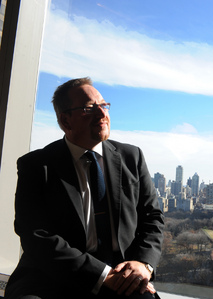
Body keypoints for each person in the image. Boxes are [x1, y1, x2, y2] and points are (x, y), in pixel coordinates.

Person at [5, 77, 164, 299]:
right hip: (51, 276)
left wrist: (143, 264)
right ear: (65, 120)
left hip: (123, 275)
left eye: (104, 105)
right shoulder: (36, 166)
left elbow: (152, 218)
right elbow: (36, 235)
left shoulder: (132, 157)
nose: (102, 114)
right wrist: (101, 275)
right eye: (89, 108)